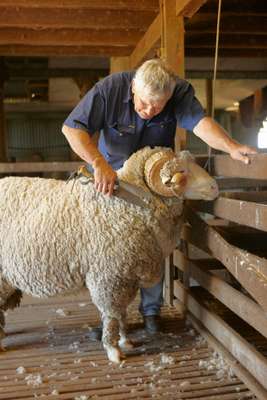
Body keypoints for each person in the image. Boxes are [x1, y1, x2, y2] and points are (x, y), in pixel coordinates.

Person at [62, 58, 256, 337]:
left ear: (169, 96)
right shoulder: (110, 89)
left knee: (153, 245)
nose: (148, 110)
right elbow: (72, 128)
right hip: (113, 178)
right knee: (111, 253)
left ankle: (151, 311)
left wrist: (232, 147)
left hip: (156, 182)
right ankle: (113, 317)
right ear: (132, 88)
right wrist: (98, 163)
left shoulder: (178, 92)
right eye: (143, 103)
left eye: (157, 106)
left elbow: (200, 123)